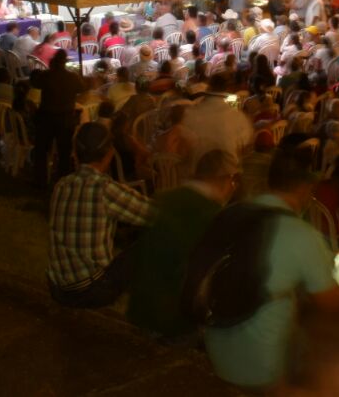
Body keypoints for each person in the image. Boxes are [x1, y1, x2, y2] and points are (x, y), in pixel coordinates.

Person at [201, 141, 339, 390]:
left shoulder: (230, 213)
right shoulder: (301, 234)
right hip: (261, 366)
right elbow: (333, 304)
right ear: (304, 188)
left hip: (216, 344)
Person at [127, 149, 239, 339]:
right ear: (223, 179)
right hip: (174, 320)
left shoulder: (164, 197)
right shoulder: (212, 215)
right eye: (233, 181)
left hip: (140, 309)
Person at [47, 122, 154, 308]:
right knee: (153, 241)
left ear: (76, 153)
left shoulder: (62, 185)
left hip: (57, 288)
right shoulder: (105, 189)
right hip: (91, 291)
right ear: (109, 154)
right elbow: (155, 214)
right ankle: (152, 308)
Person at [32, 50, 87, 189]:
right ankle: (63, 182)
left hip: (47, 117)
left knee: (42, 151)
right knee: (64, 153)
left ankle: (41, 180)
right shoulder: (72, 77)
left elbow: (35, 83)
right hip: (65, 119)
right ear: (65, 62)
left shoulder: (46, 75)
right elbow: (82, 88)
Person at [184, 73, 252, 161]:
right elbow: (245, 143)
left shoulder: (192, 114)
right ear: (227, 88)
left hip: (197, 170)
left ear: (209, 88)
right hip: (229, 169)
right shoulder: (238, 117)